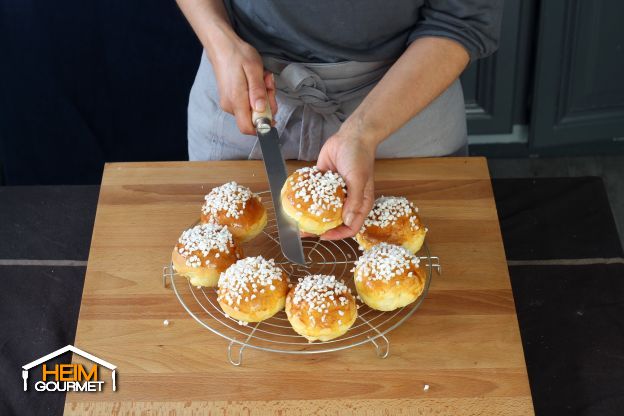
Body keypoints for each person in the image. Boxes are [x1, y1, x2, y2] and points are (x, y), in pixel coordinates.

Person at [177, 0, 502, 240]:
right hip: (247, 92)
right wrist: (219, 40)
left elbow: (464, 19)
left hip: (405, 103)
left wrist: (363, 133)